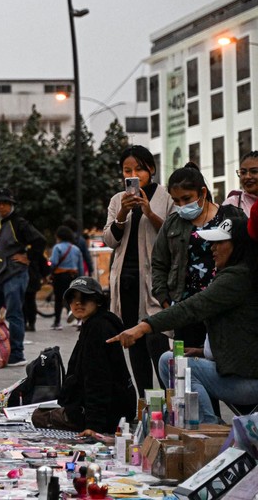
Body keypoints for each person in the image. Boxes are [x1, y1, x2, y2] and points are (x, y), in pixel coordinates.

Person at [110, 217, 258, 424]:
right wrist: (203, 352)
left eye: (219, 243)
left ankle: (207, 430)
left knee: (172, 363)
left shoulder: (237, 277)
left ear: (238, 245)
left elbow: (191, 308)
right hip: (243, 375)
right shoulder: (242, 274)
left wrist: (143, 327)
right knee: (173, 359)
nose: (212, 248)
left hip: (248, 384)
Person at [101, 145, 173, 393]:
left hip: (156, 281)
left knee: (158, 339)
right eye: (127, 170)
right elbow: (110, 240)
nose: (134, 174)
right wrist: (122, 211)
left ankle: (169, 402)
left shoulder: (166, 197)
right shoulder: (116, 200)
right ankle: (145, 402)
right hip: (126, 281)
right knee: (133, 340)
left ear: (151, 169)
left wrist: (149, 212)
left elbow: (173, 236)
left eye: (139, 168)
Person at [152, 162, 243, 352]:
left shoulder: (231, 217)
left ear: (202, 192)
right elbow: (159, 264)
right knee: (185, 367)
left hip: (223, 307)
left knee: (223, 359)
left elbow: (246, 257)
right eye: (176, 201)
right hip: (185, 310)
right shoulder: (172, 224)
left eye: (187, 199)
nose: (182, 206)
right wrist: (165, 300)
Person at [32, 277, 136, 434]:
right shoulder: (96, 323)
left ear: (98, 301)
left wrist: (93, 426)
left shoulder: (97, 329)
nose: (78, 303)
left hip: (107, 415)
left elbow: (98, 380)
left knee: (38, 416)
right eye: (72, 299)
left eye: (84, 298)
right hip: (115, 410)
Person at [0, 187, 45, 367]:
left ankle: (16, 354)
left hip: (14, 275)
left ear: (11, 205)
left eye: (5, 203)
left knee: (14, 313)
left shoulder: (19, 223)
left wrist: (28, 258)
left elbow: (40, 241)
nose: (1, 207)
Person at [49, 226, 85, 330]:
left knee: (59, 299)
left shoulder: (57, 247)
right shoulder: (76, 249)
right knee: (74, 298)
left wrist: (50, 270)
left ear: (59, 236)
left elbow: (54, 262)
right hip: (73, 276)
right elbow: (80, 266)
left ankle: (57, 323)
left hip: (60, 276)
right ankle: (79, 321)